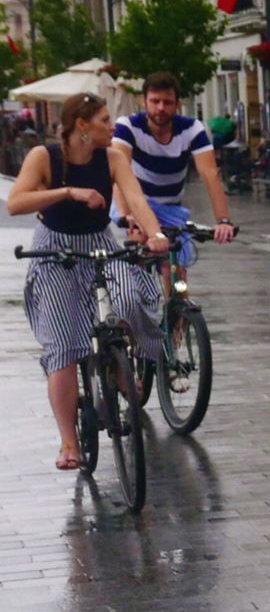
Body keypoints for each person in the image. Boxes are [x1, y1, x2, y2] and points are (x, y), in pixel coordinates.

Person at [9, 93, 170, 471]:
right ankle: (69, 442)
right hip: (54, 251)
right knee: (63, 346)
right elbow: (16, 203)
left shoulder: (113, 157)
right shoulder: (43, 157)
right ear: (82, 125)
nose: (112, 127)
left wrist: (155, 233)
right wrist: (68, 191)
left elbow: (136, 199)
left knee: (130, 299)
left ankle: (119, 363)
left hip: (100, 244)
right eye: (103, 120)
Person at [111, 71, 237, 272]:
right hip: (135, 203)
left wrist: (223, 221)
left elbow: (210, 174)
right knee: (139, 246)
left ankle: (177, 302)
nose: (161, 108)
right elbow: (118, 172)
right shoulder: (128, 126)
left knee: (175, 262)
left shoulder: (191, 128)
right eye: (155, 101)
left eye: (168, 102)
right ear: (144, 102)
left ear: (177, 104)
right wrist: (127, 216)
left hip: (170, 207)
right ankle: (138, 295)